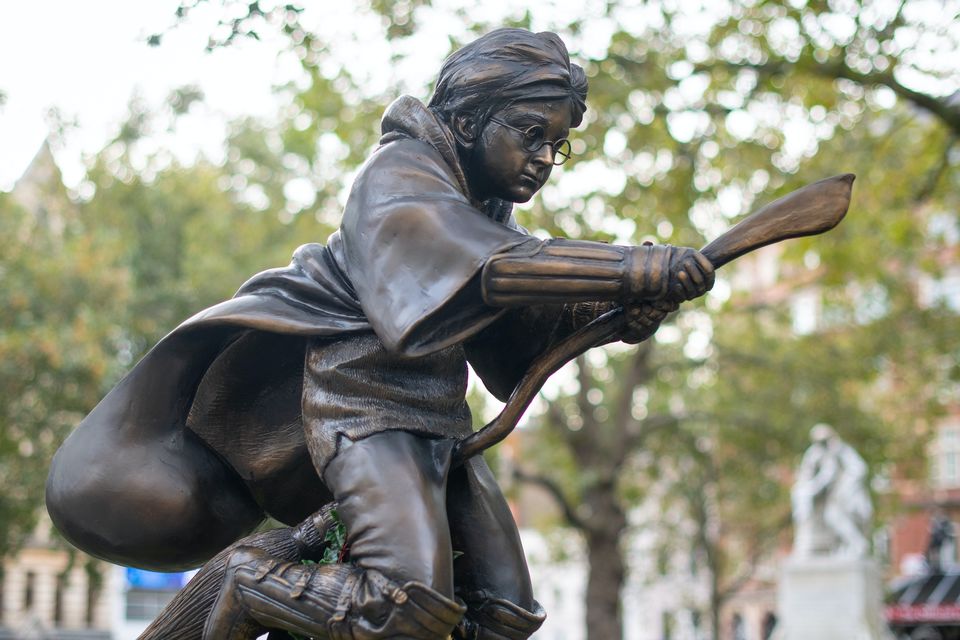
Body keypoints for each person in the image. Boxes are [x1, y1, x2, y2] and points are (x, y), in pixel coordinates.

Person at [47, 29, 713, 639]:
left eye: (557, 145)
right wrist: (628, 267)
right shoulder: (398, 176)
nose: (545, 158)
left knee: (503, 611)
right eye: (530, 133)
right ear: (466, 119)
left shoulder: (487, 210)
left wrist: (619, 316)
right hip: (362, 407)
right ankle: (250, 580)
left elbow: (517, 332)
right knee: (404, 600)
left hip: (437, 421)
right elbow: (491, 268)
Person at [791, 424, 872, 558]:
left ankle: (857, 544)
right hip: (826, 498)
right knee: (820, 513)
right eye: (819, 441)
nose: (822, 444)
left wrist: (845, 486)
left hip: (845, 496)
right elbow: (807, 475)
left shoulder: (842, 451)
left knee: (834, 516)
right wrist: (809, 489)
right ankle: (811, 545)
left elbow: (859, 469)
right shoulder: (814, 454)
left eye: (825, 440)